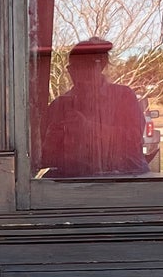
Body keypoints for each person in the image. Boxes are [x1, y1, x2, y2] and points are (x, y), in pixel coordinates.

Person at [39, 37, 148, 177]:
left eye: (84, 67)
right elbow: (43, 159)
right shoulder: (59, 106)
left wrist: (88, 129)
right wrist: (53, 139)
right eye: (73, 67)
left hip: (125, 180)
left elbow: (134, 138)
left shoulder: (123, 96)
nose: (78, 74)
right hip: (75, 186)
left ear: (100, 66)